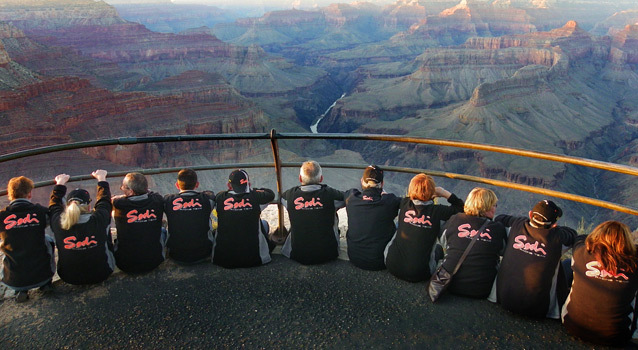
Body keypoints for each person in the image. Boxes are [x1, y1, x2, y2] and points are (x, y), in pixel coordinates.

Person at [488, 199, 576, 319]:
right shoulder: (559, 238)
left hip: (504, 299)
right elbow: (573, 235)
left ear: (530, 214)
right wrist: (555, 230)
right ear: (554, 224)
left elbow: (500, 218)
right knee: (566, 264)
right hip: (537, 309)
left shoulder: (517, 225)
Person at [561, 221, 638, 347]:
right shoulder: (634, 262)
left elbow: (581, 238)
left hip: (573, 324)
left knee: (568, 264)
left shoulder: (581, 253)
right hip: (616, 335)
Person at [384, 174, 464, 282]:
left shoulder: (405, 203)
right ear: (433, 193)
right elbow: (461, 208)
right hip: (420, 273)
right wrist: (444, 193)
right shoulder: (439, 211)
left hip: (391, 264)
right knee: (439, 249)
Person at [49, 169, 115, 285]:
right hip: (102, 273)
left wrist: (60, 183)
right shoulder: (99, 219)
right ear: (89, 207)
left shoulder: (58, 221)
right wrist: (101, 179)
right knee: (105, 232)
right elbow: (104, 201)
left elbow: (54, 205)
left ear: (68, 206)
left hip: (68, 276)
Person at [439, 187, 507, 298]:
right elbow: (502, 251)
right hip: (481, 290)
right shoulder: (497, 228)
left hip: (449, 284)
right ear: (487, 207)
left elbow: (444, 240)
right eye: (494, 205)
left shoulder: (455, 219)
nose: (495, 209)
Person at [0, 176, 55, 302]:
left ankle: (20, 290)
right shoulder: (40, 212)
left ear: (9, 195)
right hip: (42, 276)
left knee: (7, 247)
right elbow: (55, 218)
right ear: (30, 193)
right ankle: (46, 284)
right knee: (48, 240)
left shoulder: (2, 216)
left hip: (14, 280)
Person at [280, 160, 345, 265]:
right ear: (321, 178)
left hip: (297, 254)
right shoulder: (330, 194)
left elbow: (281, 198)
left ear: (300, 178)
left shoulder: (289, 196)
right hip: (328, 254)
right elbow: (345, 198)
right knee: (333, 213)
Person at [213, 169, 275, 268]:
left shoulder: (220, 198)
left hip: (223, 260)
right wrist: (254, 190)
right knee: (263, 223)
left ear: (229, 186)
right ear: (248, 184)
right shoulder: (255, 197)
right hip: (254, 259)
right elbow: (270, 194)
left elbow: (214, 196)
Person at [344, 165, 401, 270]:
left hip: (354, 258)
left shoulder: (351, 197)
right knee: (401, 223)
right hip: (381, 261)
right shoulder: (390, 201)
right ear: (382, 184)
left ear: (362, 181)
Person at [112, 172, 165, 274]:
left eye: (123, 187)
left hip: (125, 264)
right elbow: (153, 194)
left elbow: (104, 202)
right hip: (155, 261)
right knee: (162, 230)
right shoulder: (157, 200)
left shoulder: (118, 204)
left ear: (131, 191)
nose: (121, 188)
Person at [163, 169, 215, 264]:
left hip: (176, 255)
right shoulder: (208, 200)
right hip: (203, 253)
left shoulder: (167, 201)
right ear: (197, 184)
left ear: (177, 185)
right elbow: (210, 193)